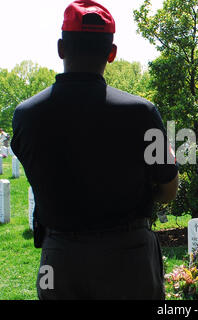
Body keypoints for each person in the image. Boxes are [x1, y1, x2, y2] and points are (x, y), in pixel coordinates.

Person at [11, 0, 179, 300]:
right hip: (130, 257)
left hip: (59, 260)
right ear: (112, 54)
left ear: (61, 48)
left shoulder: (27, 115)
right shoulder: (142, 113)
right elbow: (169, 189)